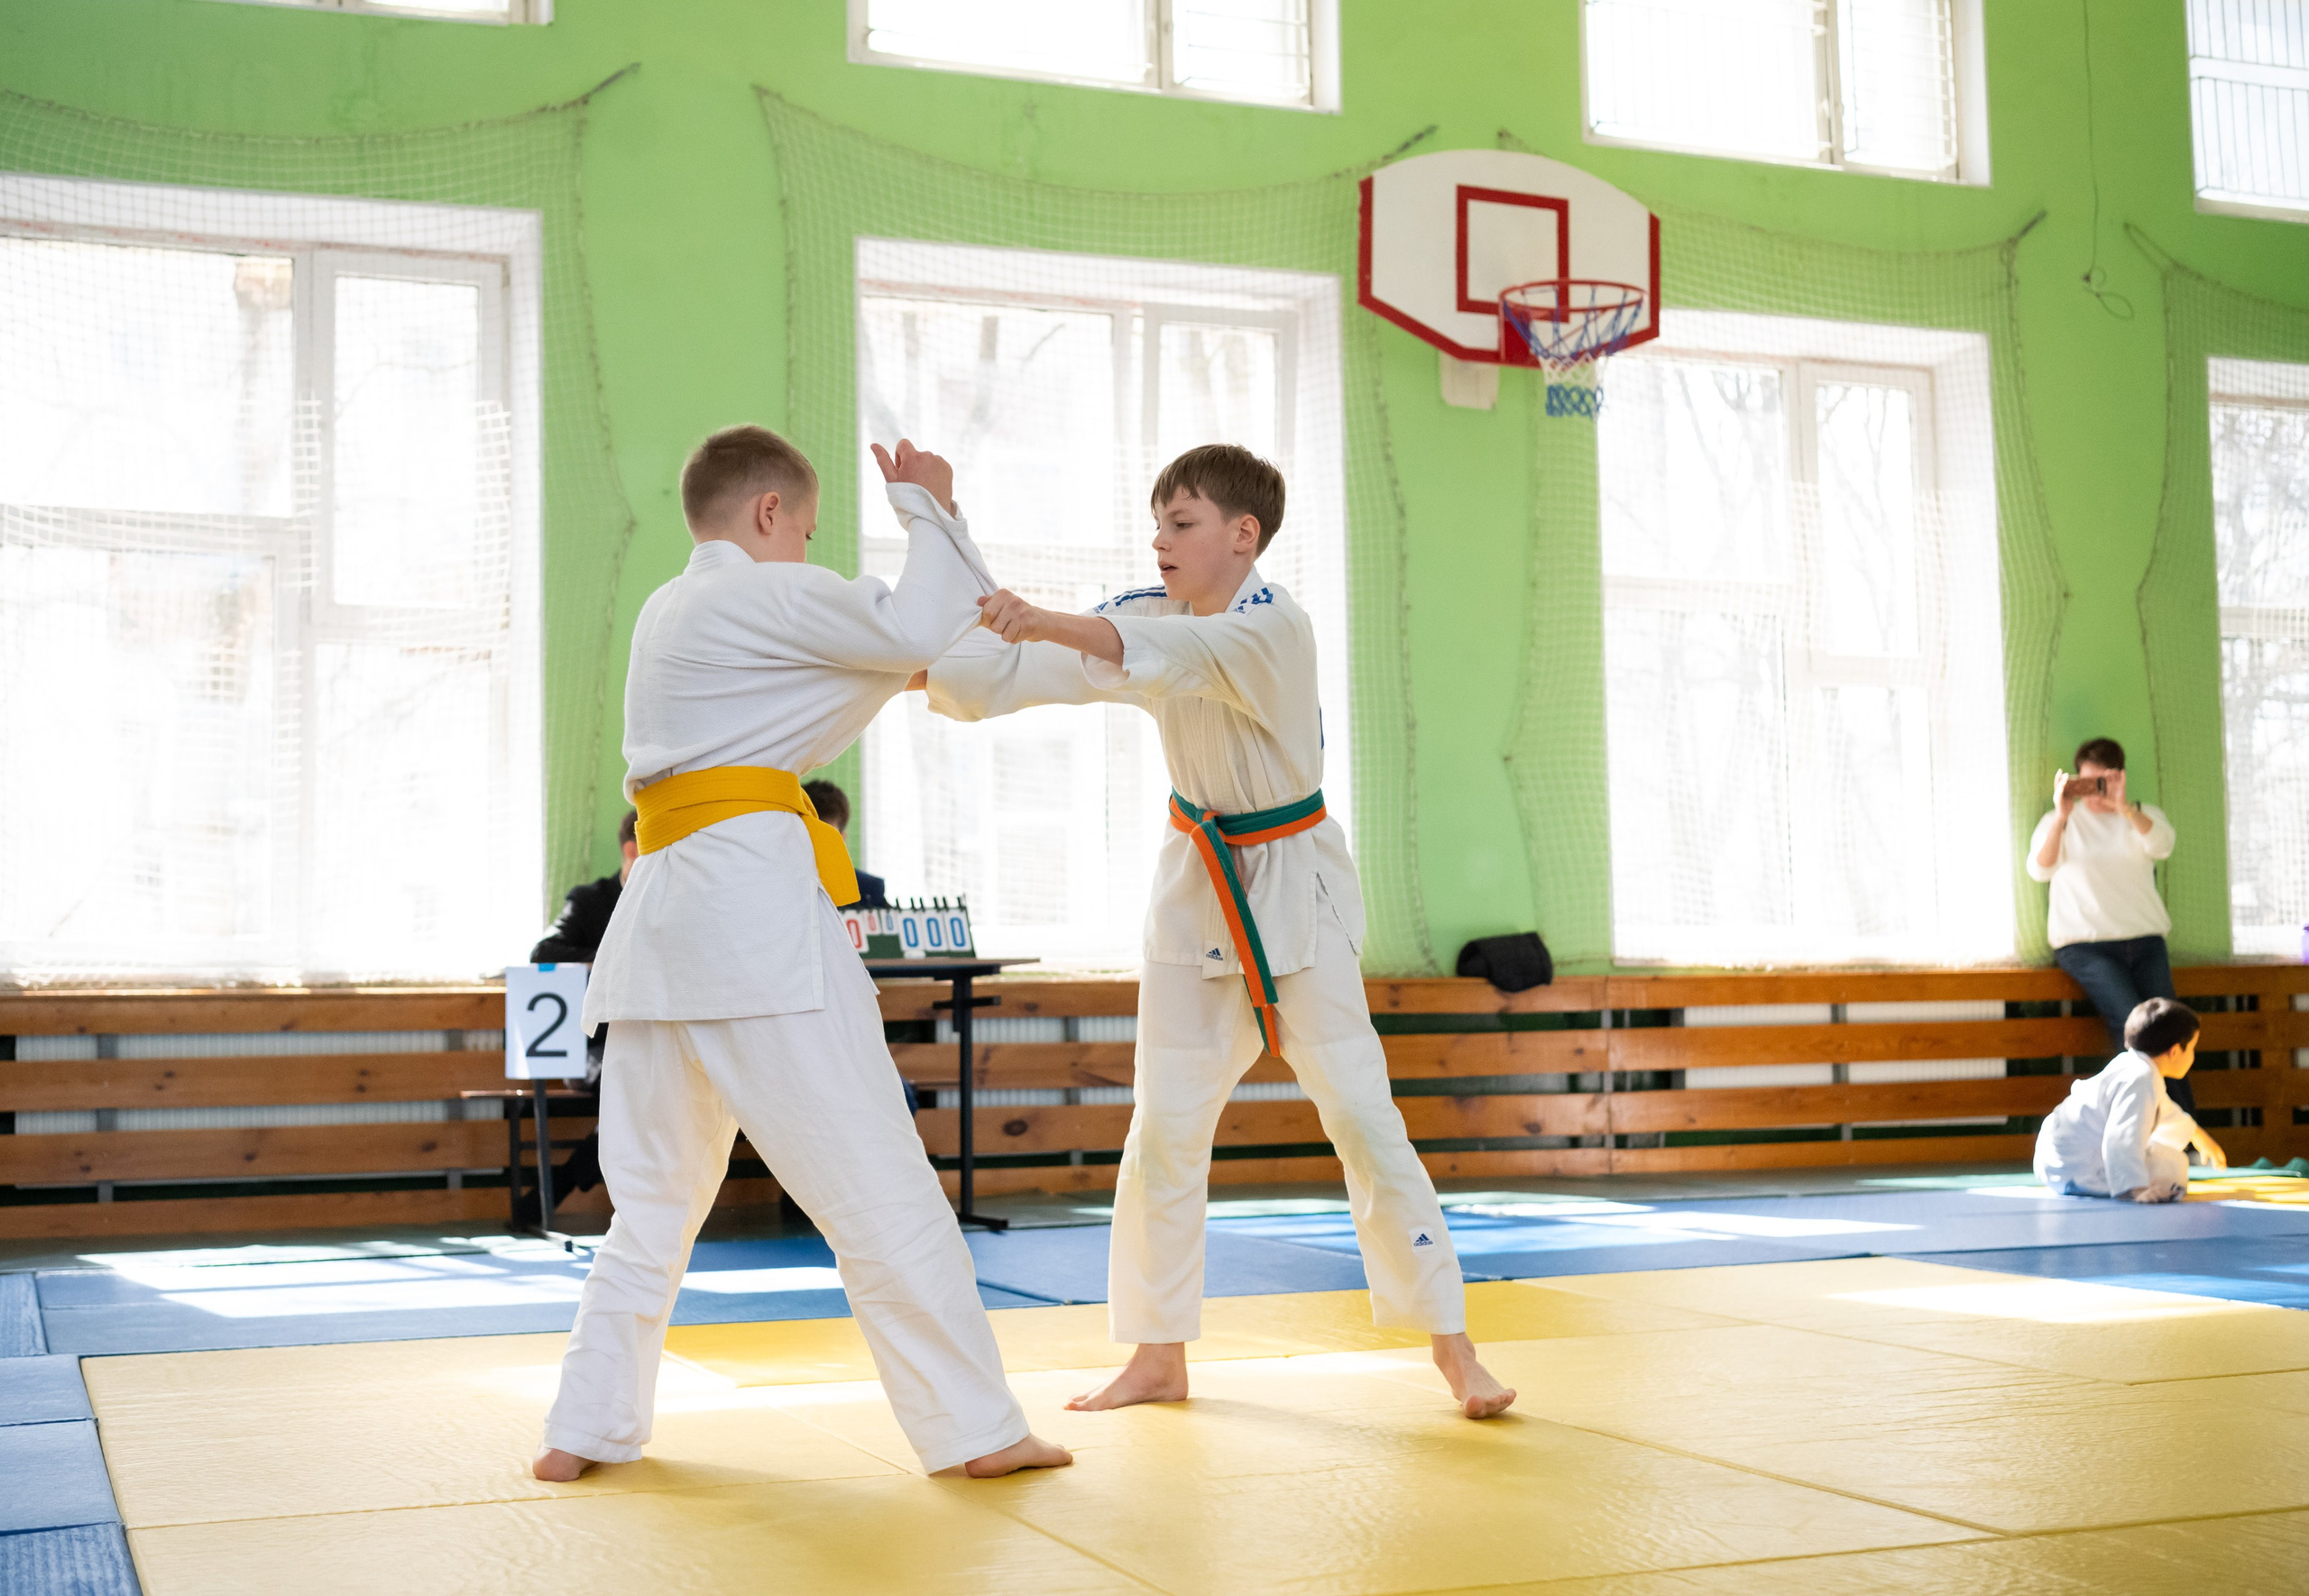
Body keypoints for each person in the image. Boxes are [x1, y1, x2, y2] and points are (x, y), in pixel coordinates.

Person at [914, 444, 1514, 1421]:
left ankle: (1454, 1349)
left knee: (1362, 1116)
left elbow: (1133, 652)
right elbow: (1035, 665)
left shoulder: (1276, 626)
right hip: (1196, 887)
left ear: (1244, 536)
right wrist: (940, 552)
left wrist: (1050, 619)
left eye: (1181, 523)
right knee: (1163, 1129)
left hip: (1297, 893)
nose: (1160, 542)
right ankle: (1157, 1355)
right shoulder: (1148, 617)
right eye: (1156, 524)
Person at [534, 425, 1067, 1483]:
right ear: (769, 514)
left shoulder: (671, 612)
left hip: (659, 945)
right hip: (750, 933)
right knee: (881, 1182)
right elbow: (916, 618)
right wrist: (929, 503)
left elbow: (874, 665)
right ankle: (978, 1431)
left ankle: (583, 1428)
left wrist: (928, 661)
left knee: (650, 1208)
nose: (808, 552)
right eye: (807, 530)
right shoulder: (750, 595)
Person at [2026, 737, 2194, 1114]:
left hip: (2146, 941)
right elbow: (2039, 868)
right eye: (2085, 783)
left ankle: (2184, 1131)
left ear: (2119, 778)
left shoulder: (2140, 815)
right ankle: (2153, 1129)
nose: (2093, 792)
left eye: (2101, 782)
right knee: (2134, 1030)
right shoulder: (2060, 822)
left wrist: (2124, 808)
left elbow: (2162, 844)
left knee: (2171, 1032)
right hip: (2086, 947)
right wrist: (2062, 815)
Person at [514, 808, 639, 1221]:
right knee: (635, 1091)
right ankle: (553, 1195)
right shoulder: (590, 901)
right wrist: (612, 962)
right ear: (632, 850)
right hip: (593, 1046)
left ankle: (551, 1195)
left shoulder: (670, 902)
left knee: (643, 1094)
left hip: (644, 1041)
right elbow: (544, 952)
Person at [2036, 996, 2226, 1202]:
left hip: (2057, 1164)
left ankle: (2125, 1180)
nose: (2192, 1056)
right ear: (2174, 1052)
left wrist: (2198, 1136)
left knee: (2163, 1153)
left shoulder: (2130, 1066)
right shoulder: (2141, 1078)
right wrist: (2135, 1189)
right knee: (2174, 1165)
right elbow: (2123, 1136)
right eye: (2191, 1048)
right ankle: (2128, 1184)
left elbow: (2164, 1111)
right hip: (2079, 1171)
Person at [801, 779, 889, 909]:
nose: (817, 847)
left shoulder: (868, 891)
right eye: (810, 836)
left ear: (842, 839)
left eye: (827, 839)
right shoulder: (779, 884)